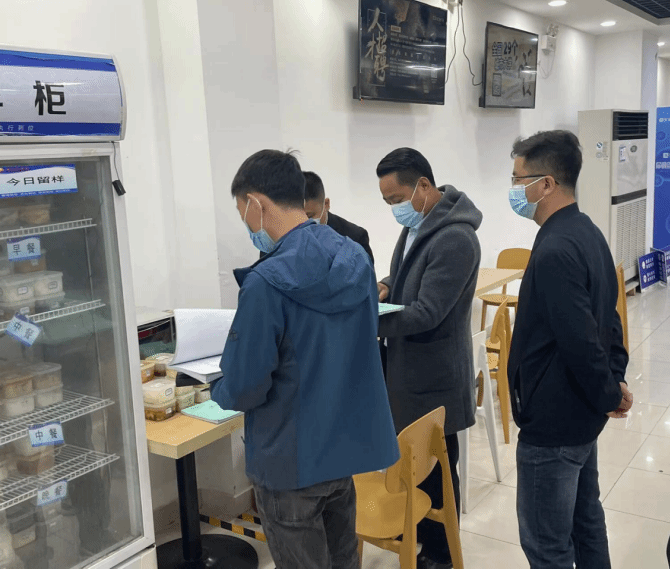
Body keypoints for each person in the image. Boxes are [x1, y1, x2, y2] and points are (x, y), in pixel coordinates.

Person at [211, 149, 399, 569]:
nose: (246, 225)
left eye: (242, 213)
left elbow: (245, 386)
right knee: (343, 560)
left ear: (255, 203)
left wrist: (215, 388)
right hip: (344, 451)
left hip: (290, 461)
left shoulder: (265, 284)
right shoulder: (356, 258)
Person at [507, 130, 633, 569]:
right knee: (586, 524)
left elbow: (581, 340)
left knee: (547, 546)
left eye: (518, 179)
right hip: (580, 415)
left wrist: (609, 391)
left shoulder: (556, 247)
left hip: (554, 424)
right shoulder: (586, 230)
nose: (513, 189)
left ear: (546, 184)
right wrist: (613, 383)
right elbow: (609, 318)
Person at [376, 148, 482, 569]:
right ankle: (417, 530)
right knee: (414, 465)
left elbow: (427, 312)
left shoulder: (455, 238)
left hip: (435, 375)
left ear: (423, 186)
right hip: (409, 370)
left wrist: (368, 319)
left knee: (437, 468)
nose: (394, 209)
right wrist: (387, 285)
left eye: (396, 199)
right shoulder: (418, 225)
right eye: (387, 202)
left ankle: (441, 553)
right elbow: (408, 277)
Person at [260, 170, 374, 262]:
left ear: (326, 204)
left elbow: (366, 281)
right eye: (296, 217)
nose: (303, 223)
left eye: (309, 216)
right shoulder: (274, 239)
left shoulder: (354, 236)